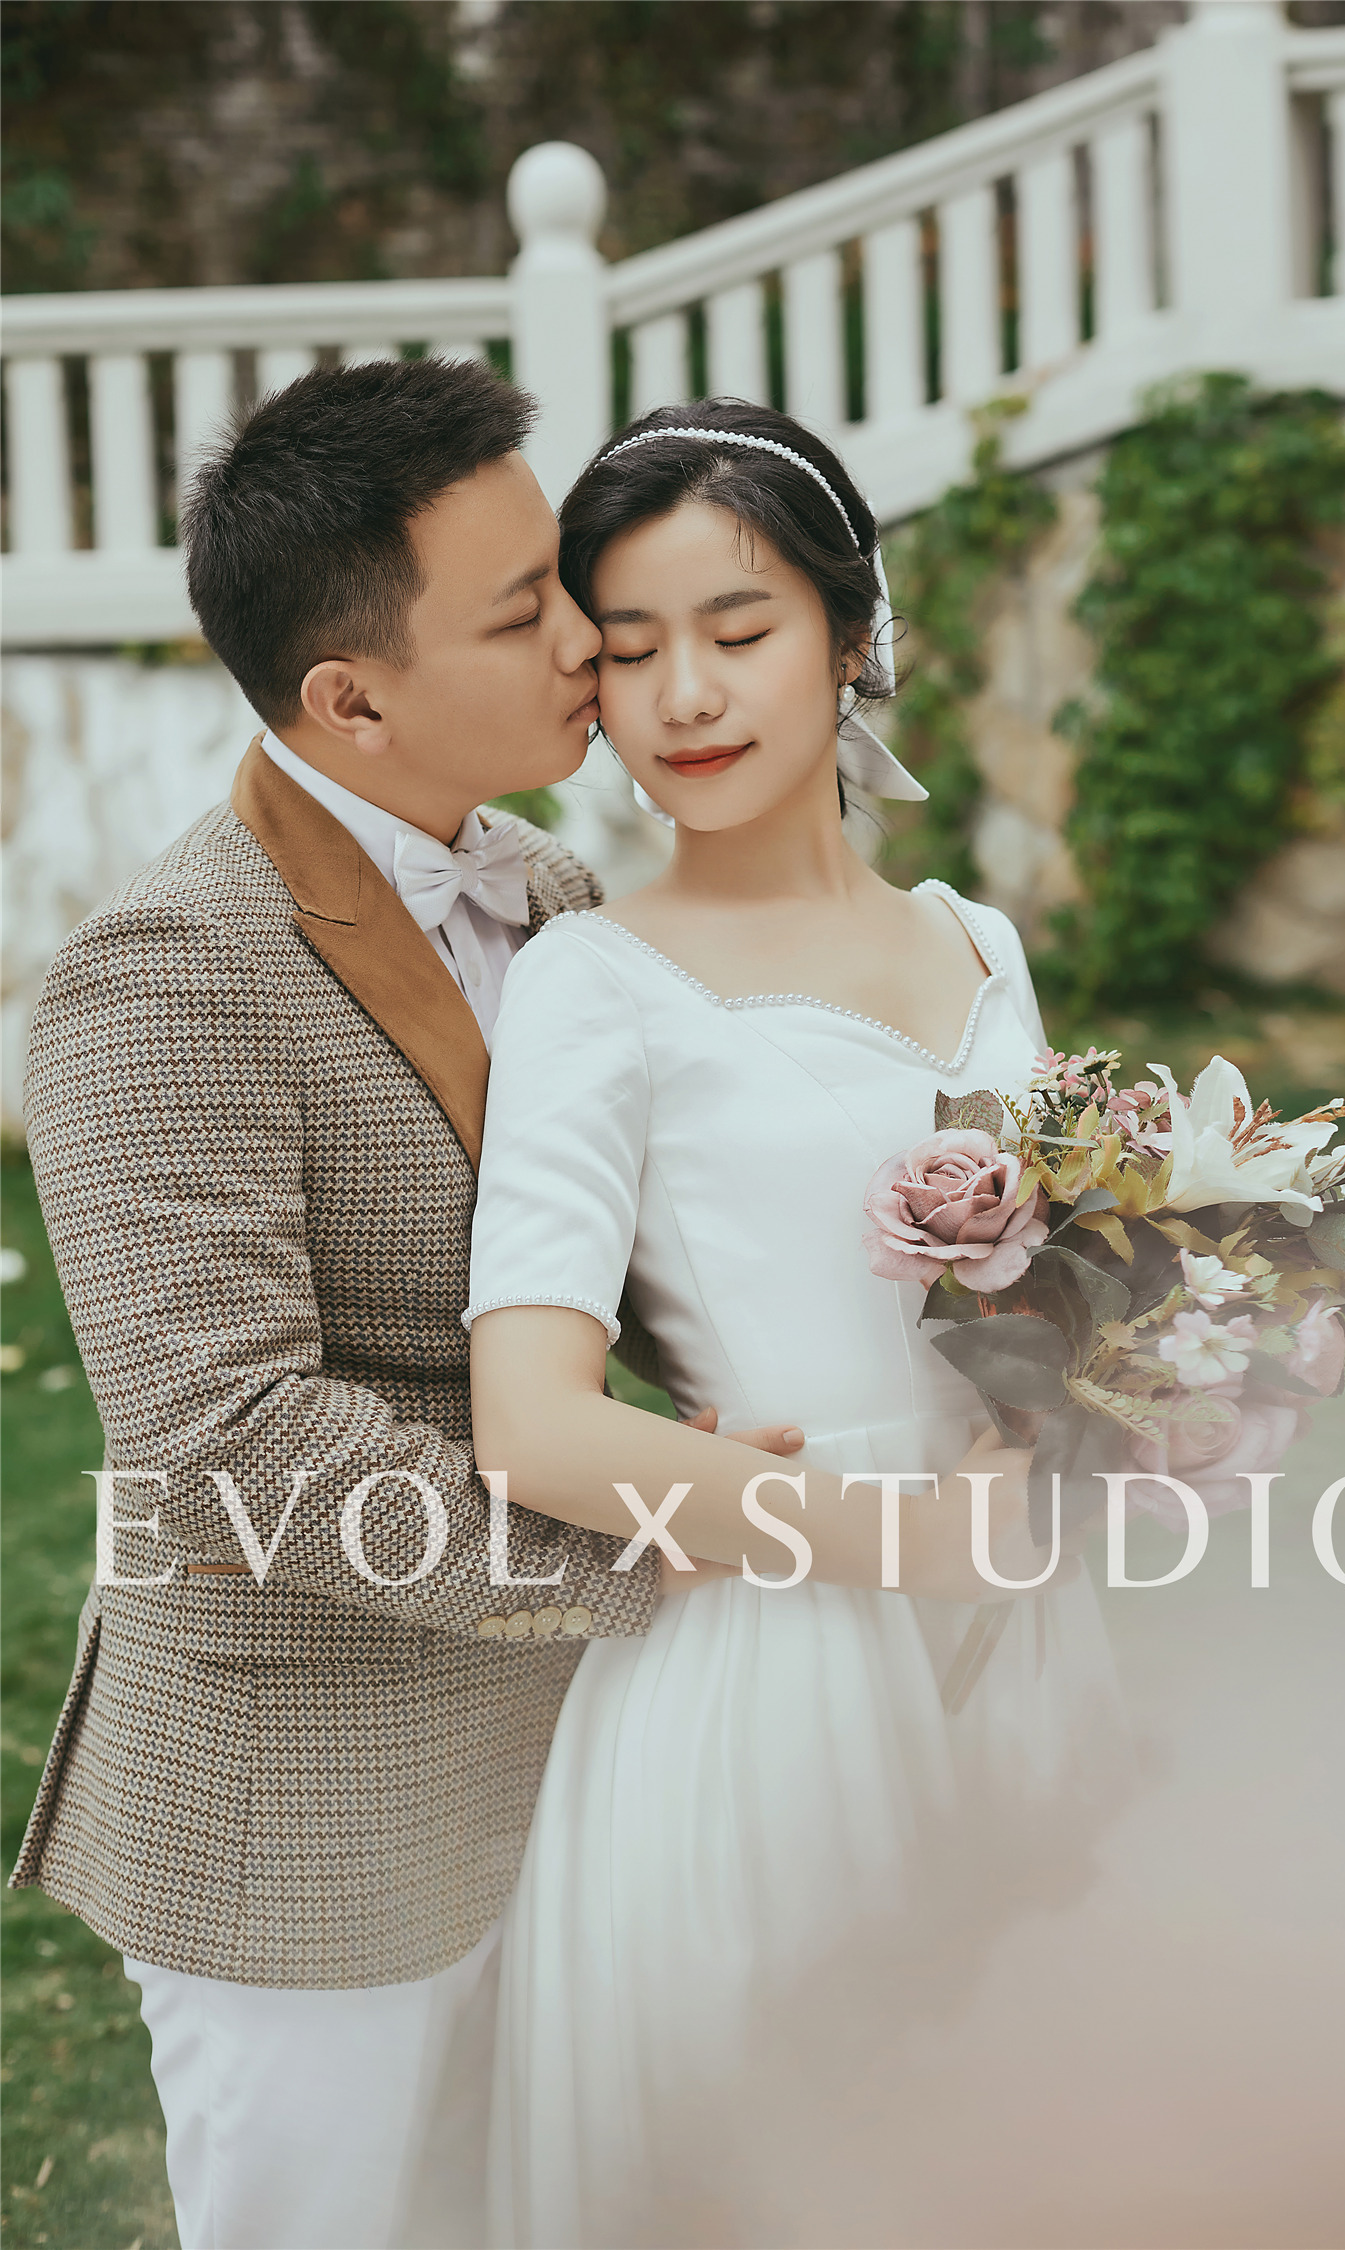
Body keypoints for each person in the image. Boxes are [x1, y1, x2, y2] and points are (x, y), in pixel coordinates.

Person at [10, 359, 806, 2250]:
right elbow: (230, 1446)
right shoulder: (163, 978)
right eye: (524, 611)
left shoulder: (548, 887)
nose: (591, 636)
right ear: (348, 699)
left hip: (579, 1764)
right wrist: (648, 1546)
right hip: (306, 1816)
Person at [468, 399, 1127, 2249]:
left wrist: (1124, 1398)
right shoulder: (595, 982)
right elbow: (534, 1423)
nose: (684, 693)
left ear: (852, 635)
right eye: (628, 647)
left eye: (739, 629)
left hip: (1025, 1631)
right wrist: (916, 1539)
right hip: (776, 1658)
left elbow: (1054, 1286)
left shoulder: (978, 942)